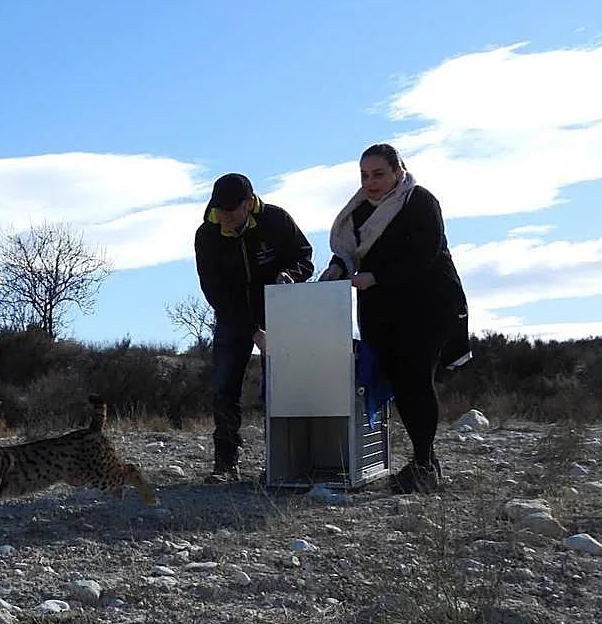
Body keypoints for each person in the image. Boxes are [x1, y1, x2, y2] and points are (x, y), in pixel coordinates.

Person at [320, 143, 469, 494]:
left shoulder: (420, 202)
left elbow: (425, 252)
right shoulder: (356, 212)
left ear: (398, 171)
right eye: (364, 175)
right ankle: (424, 462)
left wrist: (377, 277)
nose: (370, 182)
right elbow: (350, 253)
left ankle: (423, 462)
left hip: (428, 302)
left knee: (416, 376)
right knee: (396, 379)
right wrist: (337, 267)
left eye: (378, 174)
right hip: (382, 307)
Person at [195, 173, 315, 482]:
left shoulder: (276, 220)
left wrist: (291, 275)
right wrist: (254, 331)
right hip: (232, 316)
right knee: (224, 389)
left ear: (249, 204)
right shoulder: (207, 234)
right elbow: (215, 292)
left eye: (231, 212)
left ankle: (283, 462)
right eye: (219, 211)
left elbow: (305, 257)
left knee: (283, 388)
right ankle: (225, 464)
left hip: (280, 313)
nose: (224, 218)